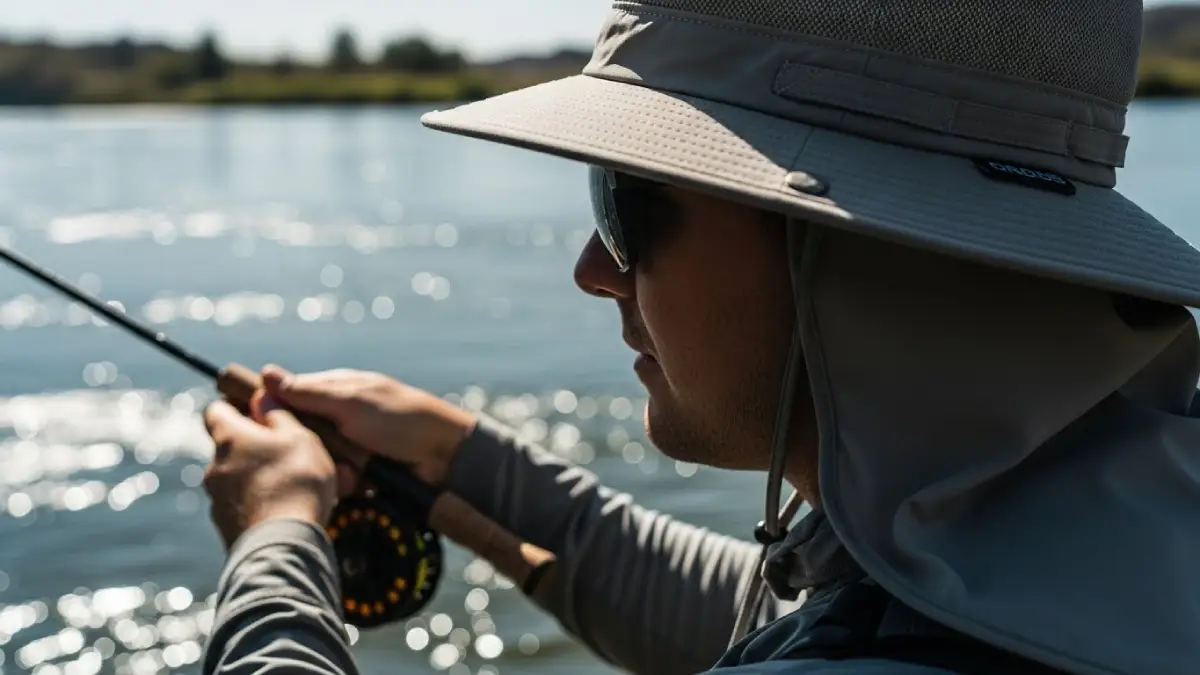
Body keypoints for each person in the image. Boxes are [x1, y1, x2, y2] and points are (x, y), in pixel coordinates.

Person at [198, 0, 1200, 674]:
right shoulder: (1118, 500)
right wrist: (466, 459)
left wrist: (276, 536)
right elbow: (780, 619)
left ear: (836, 245)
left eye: (627, 201)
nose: (594, 270)